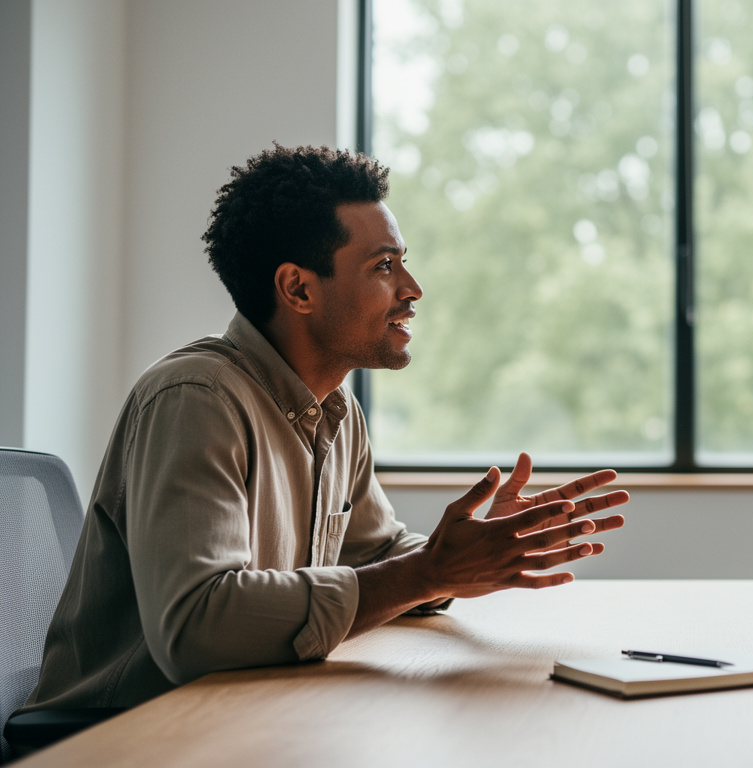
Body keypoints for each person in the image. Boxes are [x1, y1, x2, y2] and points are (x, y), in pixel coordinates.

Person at [19, 144, 628, 714]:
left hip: (247, 714)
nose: (412, 291)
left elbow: (380, 557)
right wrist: (427, 573)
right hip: (123, 740)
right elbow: (196, 628)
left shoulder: (335, 410)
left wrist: (462, 552)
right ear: (299, 288)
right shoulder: (195, 399)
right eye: (384, 266)